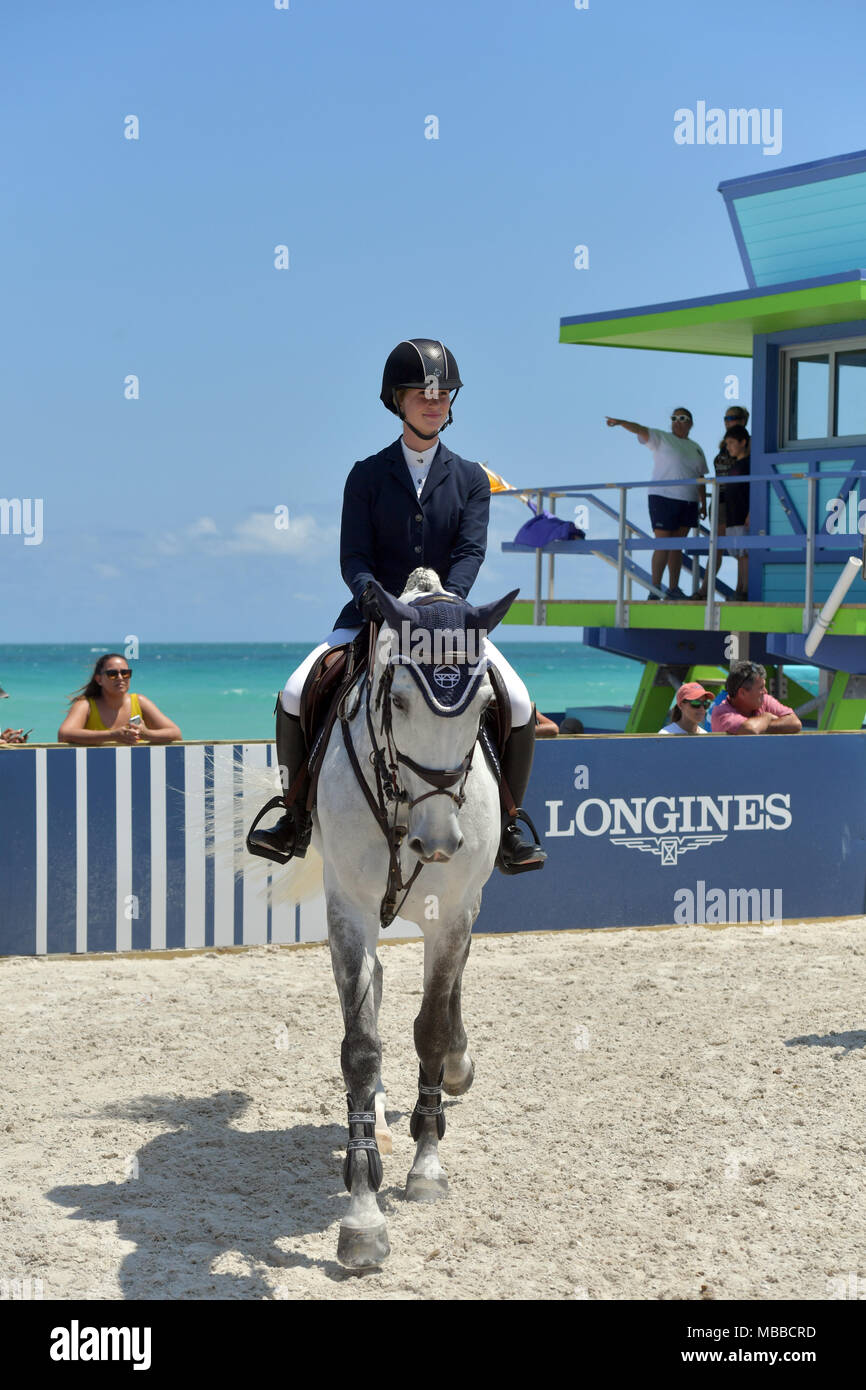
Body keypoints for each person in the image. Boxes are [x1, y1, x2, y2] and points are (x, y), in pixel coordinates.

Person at [248, 338, 546, 874]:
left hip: (448, 621)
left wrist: (447, 605)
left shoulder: (472, 478)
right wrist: (376, 601)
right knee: (296, 692)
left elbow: (470, 550)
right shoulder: (366, 474)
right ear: (398, 401)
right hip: (373, 614)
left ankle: (508, 825)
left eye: (443, 394)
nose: (434, 402)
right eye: (422, 394)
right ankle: (294, 815)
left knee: (519, 703)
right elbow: (354, 556)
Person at [605, 408, 707, 598]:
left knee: (677, 546)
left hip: (688, 500)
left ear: (690, 423)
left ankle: (673, 588)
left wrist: (703, 502)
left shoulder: (696, 448)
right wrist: (620, 422)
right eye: (674, 418)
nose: (677, 421)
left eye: (682, 418)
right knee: (662, 543)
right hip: (662, 497)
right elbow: (639, 429)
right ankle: (655, 589)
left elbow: (700, 476)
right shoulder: (662, 438)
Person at [58, 654, 182, 745]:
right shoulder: (86, 705)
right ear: (99, 679)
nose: (120, 678)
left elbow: (175, 734)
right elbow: (64, 734)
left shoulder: (139, 702)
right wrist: (112, 735)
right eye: (112, 674)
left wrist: (146, 734)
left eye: (125, 673)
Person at [697, 414, 751, 599]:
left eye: (731, 443)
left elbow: (753, 490)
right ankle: (740, 589)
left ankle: (743, 589)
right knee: (738, 552)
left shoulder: (749, 464)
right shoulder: (736, 464)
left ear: (743, 442)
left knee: (745, 553)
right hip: (731, 514)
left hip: (741, 514)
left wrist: (751, 513)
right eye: (726, 444)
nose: (728, 447)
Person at [711, 661, 801, 735]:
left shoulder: (764, 700)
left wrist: (762, 726)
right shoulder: (721, 713)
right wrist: (767, 717)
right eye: (761, 688)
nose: (765, 692)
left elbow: (795, 723)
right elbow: (751, 730)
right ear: (742, 693)